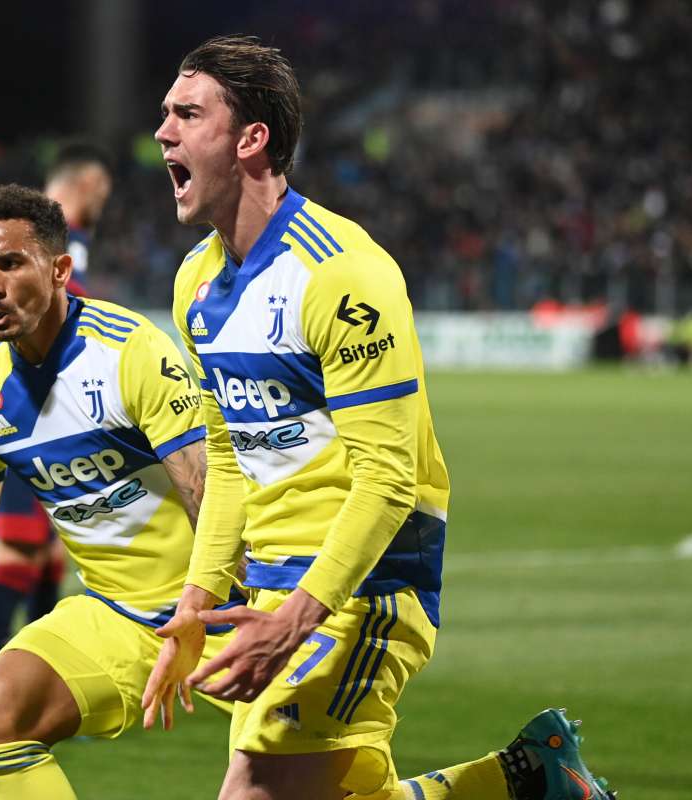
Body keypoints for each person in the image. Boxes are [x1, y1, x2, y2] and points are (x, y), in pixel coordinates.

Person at [142, 35, 616, 800]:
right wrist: (195, 606)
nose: (163, 131)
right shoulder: (195, 284)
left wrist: (299, 618)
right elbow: (228, 457)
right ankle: (531, 781)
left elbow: (389, 479)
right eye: (166, 112)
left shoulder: (340, 274)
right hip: (273, 586)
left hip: (364, 584)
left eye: (188, 114)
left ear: (251, 139)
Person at [0, 184, 238, 799]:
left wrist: (225, 611)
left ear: (60, 270)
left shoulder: (129, 351)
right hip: (119, 616)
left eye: (10, 264)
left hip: (229, 605)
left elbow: (208, 492)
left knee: (333, 783)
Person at [0, 142, 115, 752]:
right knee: (14, 557)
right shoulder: (20, 242)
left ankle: (47, 701)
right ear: (83, 185)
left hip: (67, 424)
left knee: (49, 560)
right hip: (27, 424)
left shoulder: (67, 244)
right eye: (101, 190)